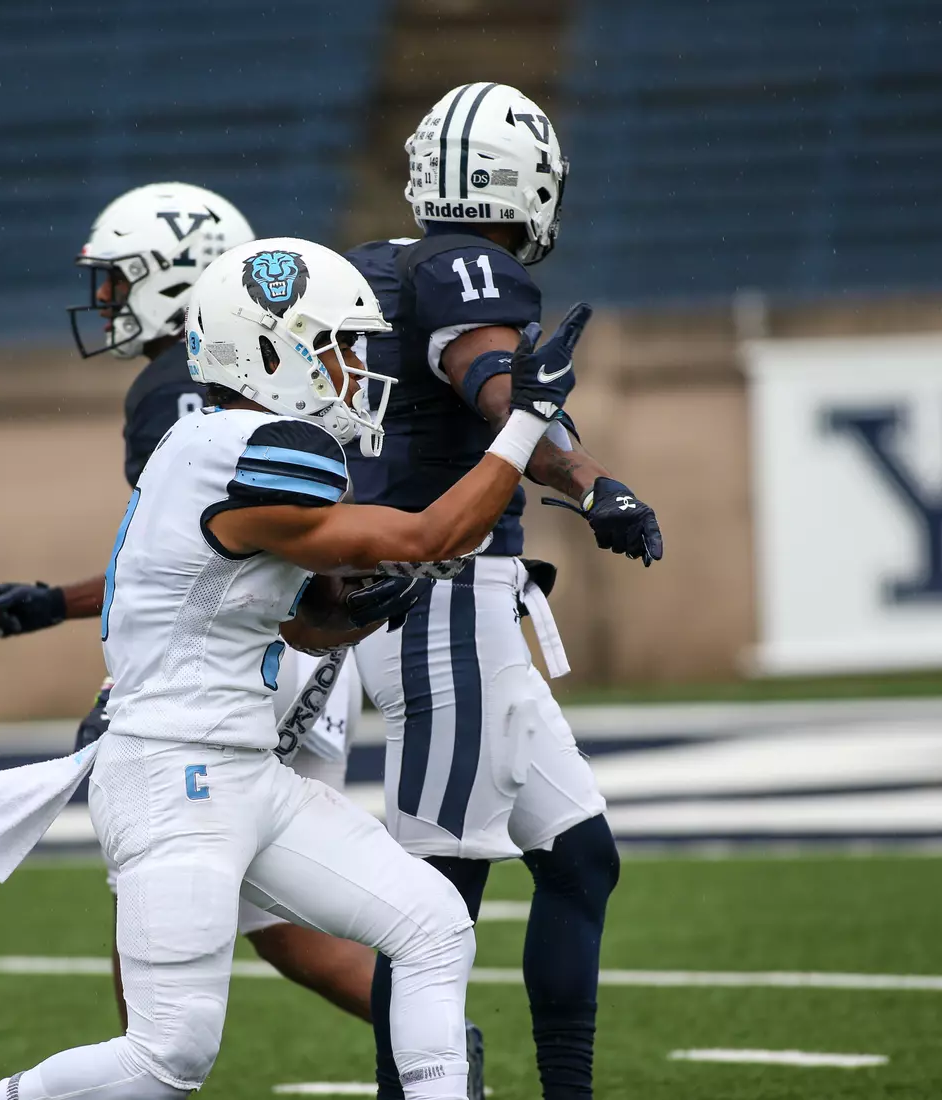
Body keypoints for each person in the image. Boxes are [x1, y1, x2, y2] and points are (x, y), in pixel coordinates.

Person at [0, 235, 589, 1100]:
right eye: (334, 345)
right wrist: (523, 425)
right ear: (266, 350)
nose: (353, 370)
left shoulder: (216, 444)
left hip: (238, 769)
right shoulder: (254, 449)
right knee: (166, 1058)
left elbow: (296, 631)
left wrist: (344, 616)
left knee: (433, 924)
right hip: (173, 776)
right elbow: (425, 535)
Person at [0, 182, 378, 1025]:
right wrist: (58, 602)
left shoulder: (175, 389)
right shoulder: (278, 374)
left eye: (119, 280)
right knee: (274, 914)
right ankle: (434, 1034)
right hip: (311, 645)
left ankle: (143, 1066)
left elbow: (190, 564)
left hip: (243, 660)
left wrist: (66, 611)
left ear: (175, 277)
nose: (105, 302)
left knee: (151, 862)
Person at [343, 83, 665, 1100]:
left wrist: (583, 478)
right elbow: (500, 386)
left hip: (450, 601)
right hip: (442, 605)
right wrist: (588, 478)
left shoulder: (380, 265)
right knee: (433, 899)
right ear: (515, 178)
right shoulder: (466, 265)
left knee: (580, 860)